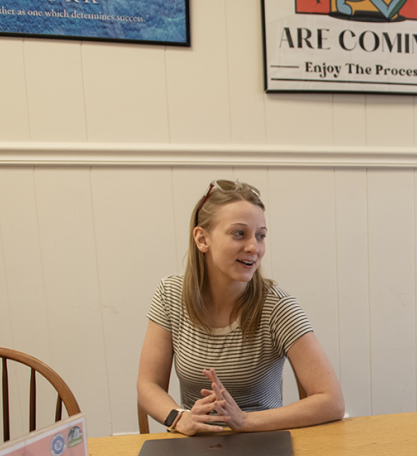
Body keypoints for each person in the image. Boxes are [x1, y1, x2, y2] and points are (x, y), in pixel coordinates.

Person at [137, 179, 344, 435]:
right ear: (202, 239)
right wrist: (180, 419)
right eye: (239, 233)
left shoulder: (278, 306)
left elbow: (331, 401)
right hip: (195, 446)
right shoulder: (169, 295)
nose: (253, 248)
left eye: (261, 236)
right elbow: (148, 385)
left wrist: (245, 422)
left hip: (263, 443)